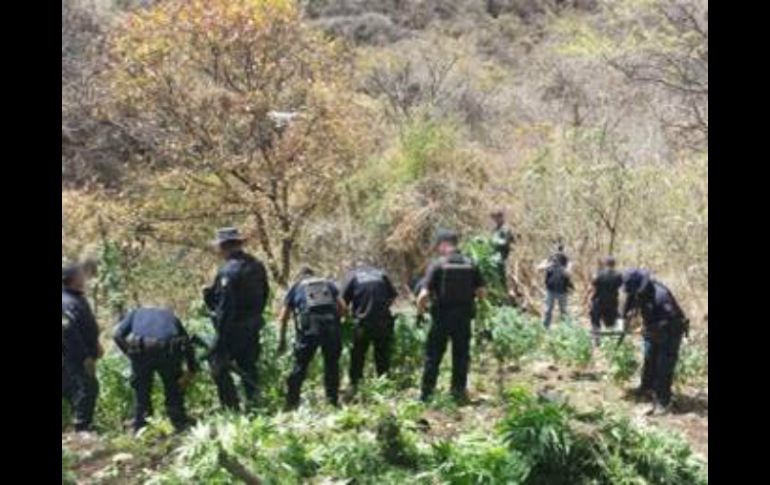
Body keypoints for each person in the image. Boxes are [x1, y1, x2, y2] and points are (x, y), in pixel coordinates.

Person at [203, 227, 270, 411]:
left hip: (233, 328)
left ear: (223, 247)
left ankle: (231, 408)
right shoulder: (256, 265)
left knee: (218, 364)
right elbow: (265, 293)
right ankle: (254, 405)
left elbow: (226, 307)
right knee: (248, 365)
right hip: (253, 324)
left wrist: (220, 338)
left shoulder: (228, 271)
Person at [416, 229, 486, 403]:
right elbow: (482, 292)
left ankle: (427, 394)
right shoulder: (471, 264)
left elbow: (423, 295)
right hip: (463, 318)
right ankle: (458, 392)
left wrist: (420, 314)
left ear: (444, 244)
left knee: (433, 356)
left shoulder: (438, 265)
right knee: (461, 356)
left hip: (441, 318)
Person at [113, 306, 198, 433]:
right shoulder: (170, 315)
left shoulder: (135, 313)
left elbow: (117, 335)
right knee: (173, 388)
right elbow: (187, 343)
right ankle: (179, 421)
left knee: (142, 391)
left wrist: (130, 354)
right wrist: (191, 369)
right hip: (169, 350)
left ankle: (141, 425)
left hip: (142, 350)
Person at [622, 269, 689, 416]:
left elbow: (671, 321)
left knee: (663, 367)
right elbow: (628, 308)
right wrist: (626, 321)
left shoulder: (661, 296)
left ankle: (663, 402)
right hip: (653, 328)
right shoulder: (636, 291)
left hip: (670, 331)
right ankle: (646, 388)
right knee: (649, 358)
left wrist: (646, 329)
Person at [278, 267, 346, 410]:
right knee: (331, 364)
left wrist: (282, 340)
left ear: (299, 276)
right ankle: (332, 402)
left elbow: (283, 317)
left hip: (309, 330)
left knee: (300, 365)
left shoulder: (296, 286)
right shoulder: (328, 284)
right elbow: (343, 308)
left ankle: (291, 403)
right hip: (331, 328)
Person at [341, 261, 398, 394]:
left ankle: (355, 386)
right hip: (383, 322)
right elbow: (393, 296)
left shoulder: (353, 276)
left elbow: (342, 302)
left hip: (362, 323)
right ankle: (384, 386)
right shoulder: (381, 275)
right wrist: (382, 308)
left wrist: (347, 317)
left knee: (358, 356)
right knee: (382, 356)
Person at [62, 263, 101, 432]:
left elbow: (85, 326)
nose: (84, 277)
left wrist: (96, 344)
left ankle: (79, 424)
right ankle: (82, 428)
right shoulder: (66, 301)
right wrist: (85, 357)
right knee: (87, 387)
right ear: (72, 279)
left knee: (73, 388)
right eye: (80, 275)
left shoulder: (75, 297)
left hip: (78, 354)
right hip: (73, 355)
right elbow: (68, 331)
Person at [589, 256, 623, 346]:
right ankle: (610, 342)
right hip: (612, 302)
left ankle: (597, 341)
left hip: (599, 301)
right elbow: (621, 287)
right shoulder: (618, 275)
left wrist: (589, 299)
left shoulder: (599, 274)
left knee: (595, 321)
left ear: (605, 263)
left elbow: (593, 288)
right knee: (610, 323)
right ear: (614, 264)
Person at [541, 250, 573, 329]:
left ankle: (566, 328)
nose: (556, 259)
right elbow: (539, 268)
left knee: (563, 310)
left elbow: (568, 274)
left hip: (562, 291)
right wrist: (548, 264)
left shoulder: (566, 264)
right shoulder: (549, 263)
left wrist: (565, 267)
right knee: (548, 309)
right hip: (550, 290)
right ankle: (546, 327)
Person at [489, 210, 515, 294]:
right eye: (494, 218)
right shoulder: (495, 229)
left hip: (501, 257)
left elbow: (507, 242)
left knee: (501, 278)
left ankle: (503, 294)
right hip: (493, 256)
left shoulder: (505, 229)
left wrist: (495, 242)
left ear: (500, 217)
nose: (495, 220)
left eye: (496, 217)